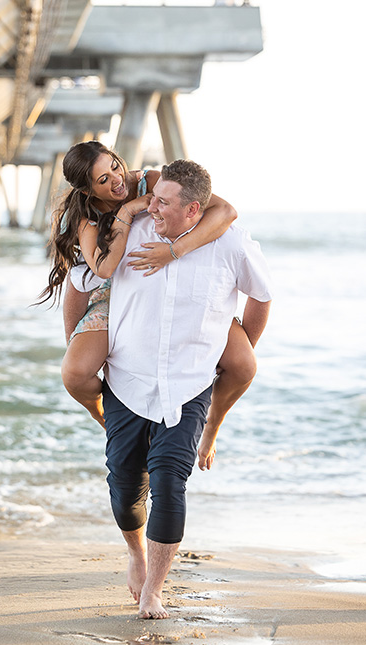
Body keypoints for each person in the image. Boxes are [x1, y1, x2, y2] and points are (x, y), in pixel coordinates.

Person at [73, 159, 272, 619]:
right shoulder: (127, 229)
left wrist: (231, 348)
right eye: (153, 196)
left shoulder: (230, 243)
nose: (150, 206)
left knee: (169, 482)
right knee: (125, 488)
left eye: (163, 202)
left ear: (193, 210)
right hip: (127, 379)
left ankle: (154, 590)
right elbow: (80, 285)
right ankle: (136, 555)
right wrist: (76, 342)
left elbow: (261, 294)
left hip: (190, 384)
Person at [41, 141, 257, 464]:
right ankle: (105, 418)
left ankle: (210, 426)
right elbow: (101, 270)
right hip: (110, 294)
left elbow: (225, 212)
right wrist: (127, 211)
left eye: (114, 165)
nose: (116, 180)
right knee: (74, 372)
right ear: (88, 192)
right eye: (103, 180)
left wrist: (174, 251)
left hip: (165, 287)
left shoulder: (149, 181)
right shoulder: (86, 217)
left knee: (244, 364)